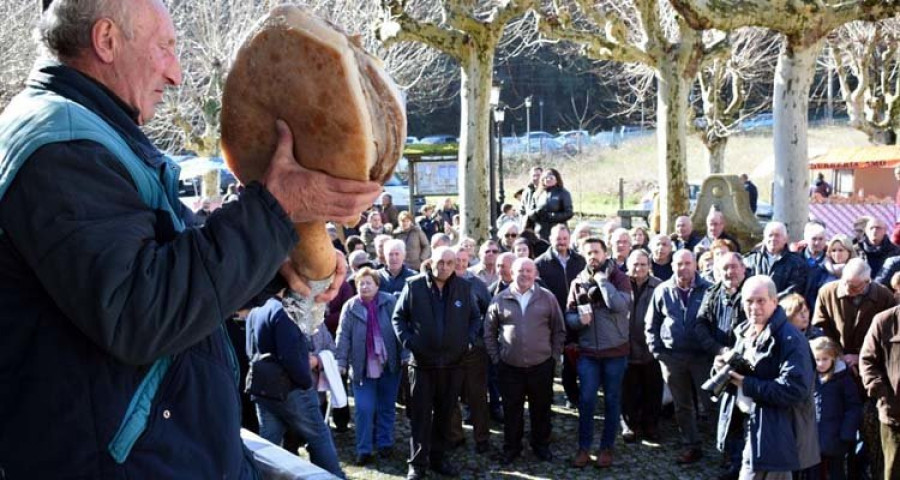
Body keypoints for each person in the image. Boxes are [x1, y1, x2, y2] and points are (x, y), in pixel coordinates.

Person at [0, 0, 382, 477]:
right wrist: (275, 209)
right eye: (165, 48)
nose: (176, 74)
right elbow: (141, 312)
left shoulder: (88, 135)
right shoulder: (62, 147)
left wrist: (274, 263)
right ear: (106, 41)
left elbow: (174, 260)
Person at [714, 276, 819, 479]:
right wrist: (721, 370)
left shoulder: (790, 339)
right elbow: (747, 371)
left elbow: (794, 389)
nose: (754, 307)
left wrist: (746, 383)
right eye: (749, 301)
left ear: (774, 301)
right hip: (750, 425)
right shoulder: (745, 331)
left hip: (777, 432)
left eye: (761, 300)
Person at [392, 247, 481, 480]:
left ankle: (439, 459)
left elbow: (475, 318)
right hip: (422, 365)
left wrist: (467, 342)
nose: (444, 267)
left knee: (445, 414)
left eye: (450, 263)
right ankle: (417, 464)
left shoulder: (464, 287)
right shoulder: (414, 286)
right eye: (440, 262)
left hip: (453, 365)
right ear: (431, 262)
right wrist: (410, 342)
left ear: (455, 265)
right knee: (420, 416)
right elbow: (398, 317)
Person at [813, 258, 895, 479]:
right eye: (846, 283)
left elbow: (888, 338)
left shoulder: (883, 296)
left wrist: (861, 356)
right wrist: (839, 355)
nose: (849, 290)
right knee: (838, 431)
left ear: (868, 282)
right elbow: (820, 330)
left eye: (856, 286)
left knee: (870, 435)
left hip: (869, 371)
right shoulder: (828, 292)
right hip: (836, 372)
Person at [246, 297, 345, 477]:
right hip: (290, 389)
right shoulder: (285, 311)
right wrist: (305, 383)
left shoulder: (257, 309)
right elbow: (292, 356)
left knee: (268, 446)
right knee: (319, 436)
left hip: (263, 387)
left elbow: (250, 350)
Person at [484, 257, 566, 465]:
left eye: (529, 271)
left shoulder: (547, 298)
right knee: (512, 410)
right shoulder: (501, 299)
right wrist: (497, 359)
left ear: (535, 273)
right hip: (510, 367)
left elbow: (559, 329)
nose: (525, 275)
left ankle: (541, 445)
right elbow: (489, 333)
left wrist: (553, 357)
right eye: (520, 271)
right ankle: (512, 447)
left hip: (541, 365)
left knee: (541, 409)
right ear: (512, 272)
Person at [566, 237, 632, 468]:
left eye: (596, 252)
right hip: (589, 354)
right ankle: (583, 448)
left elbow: (620, 306)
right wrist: (578, 320)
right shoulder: (578, 282)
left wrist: (603, 282)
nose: (593, 256)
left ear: (605, 253)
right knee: (586, 400)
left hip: (615, 352)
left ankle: (606, 448)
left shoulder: (620, 278)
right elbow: (569, 316)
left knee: (613, 401)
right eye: (589, 253)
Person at [646, 249, 713, 464]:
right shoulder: (663, 290)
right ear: (672, 265)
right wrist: (657, 351)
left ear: (695, 265)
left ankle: (727, 448)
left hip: (702, 357)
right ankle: (691, 444)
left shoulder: (709, 290)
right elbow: (651, 323)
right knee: (682, 405)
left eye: (687, 263)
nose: (683, 267)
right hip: (673, 357)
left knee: (712, 402)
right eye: (678, 263)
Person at [335, 267, 402, 465]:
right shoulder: (350, 306)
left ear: (377, 285)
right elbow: (343, 335)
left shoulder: (390, 301)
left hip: (389, 365)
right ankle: (363, 449)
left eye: (368, 283)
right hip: (362, 367)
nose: (364, 287)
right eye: (360, 283)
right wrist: (341, 361)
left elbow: (400, 329)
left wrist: (406, 354)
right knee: (364, 409)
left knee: (386, 407)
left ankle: (384, 444)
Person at [534, 225, 586, 410]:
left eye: (565, 238)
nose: (562, 242)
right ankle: (546, 397)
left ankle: (573, 395)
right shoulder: (540, 263)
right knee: (551, 358)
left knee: (573, 358)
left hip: (575, 315)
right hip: (552, 318)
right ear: (550, 238)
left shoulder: (580, 261)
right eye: (558, 238)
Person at [447, 246, 493, 454]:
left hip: (473, 349)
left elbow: (488, 311)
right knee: (450, 395)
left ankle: (482, 437)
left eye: (464, 260)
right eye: (456, 259)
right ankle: (455, 436)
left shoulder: (477, 284)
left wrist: (476, 338)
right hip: (447, 351)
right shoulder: (442, 283)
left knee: (477, 396)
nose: (460, 263)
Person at [621, 249, 664, 445]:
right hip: (624, 345)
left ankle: (651, 424)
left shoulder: (659, 287)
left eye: (643, 265)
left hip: (650, 347)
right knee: (627, 389)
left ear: (650, 267)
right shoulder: (620, 284)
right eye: (635, 264)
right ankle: (629, 424)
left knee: (652, 389)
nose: (638, 268)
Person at [811, 336, 863, 480]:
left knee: (837, 473)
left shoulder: (843, 379)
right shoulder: (811, 379)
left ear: (833, 358)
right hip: (814, 439)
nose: (820, 364)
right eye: (817, 359)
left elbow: (853, 407)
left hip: (836, 439)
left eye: (825, 359)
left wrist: (847, 434)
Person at [861, 302, 900, 480]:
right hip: (895, 416)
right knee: (893, 471)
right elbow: (867, 361)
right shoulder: (884, 321)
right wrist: (882, 393)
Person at [743, 221, 808, 296]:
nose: (773, 239)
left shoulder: (797, 263)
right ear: (764, 238)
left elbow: (795, 288)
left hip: (783, 305)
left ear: (785, 239)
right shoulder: (749, 260)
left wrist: (771, 301)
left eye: (777, 235)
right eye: (770, 235)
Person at [526, 168, 574, 240]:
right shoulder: (537, 194)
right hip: (540, 232)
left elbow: (569, 213)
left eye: (551, 178)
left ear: (556, 179)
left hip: (558, 232)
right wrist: (536, 213)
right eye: (545, 178)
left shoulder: (563, 193)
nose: (548, 179)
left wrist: (551, 216)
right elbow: (530, 212)